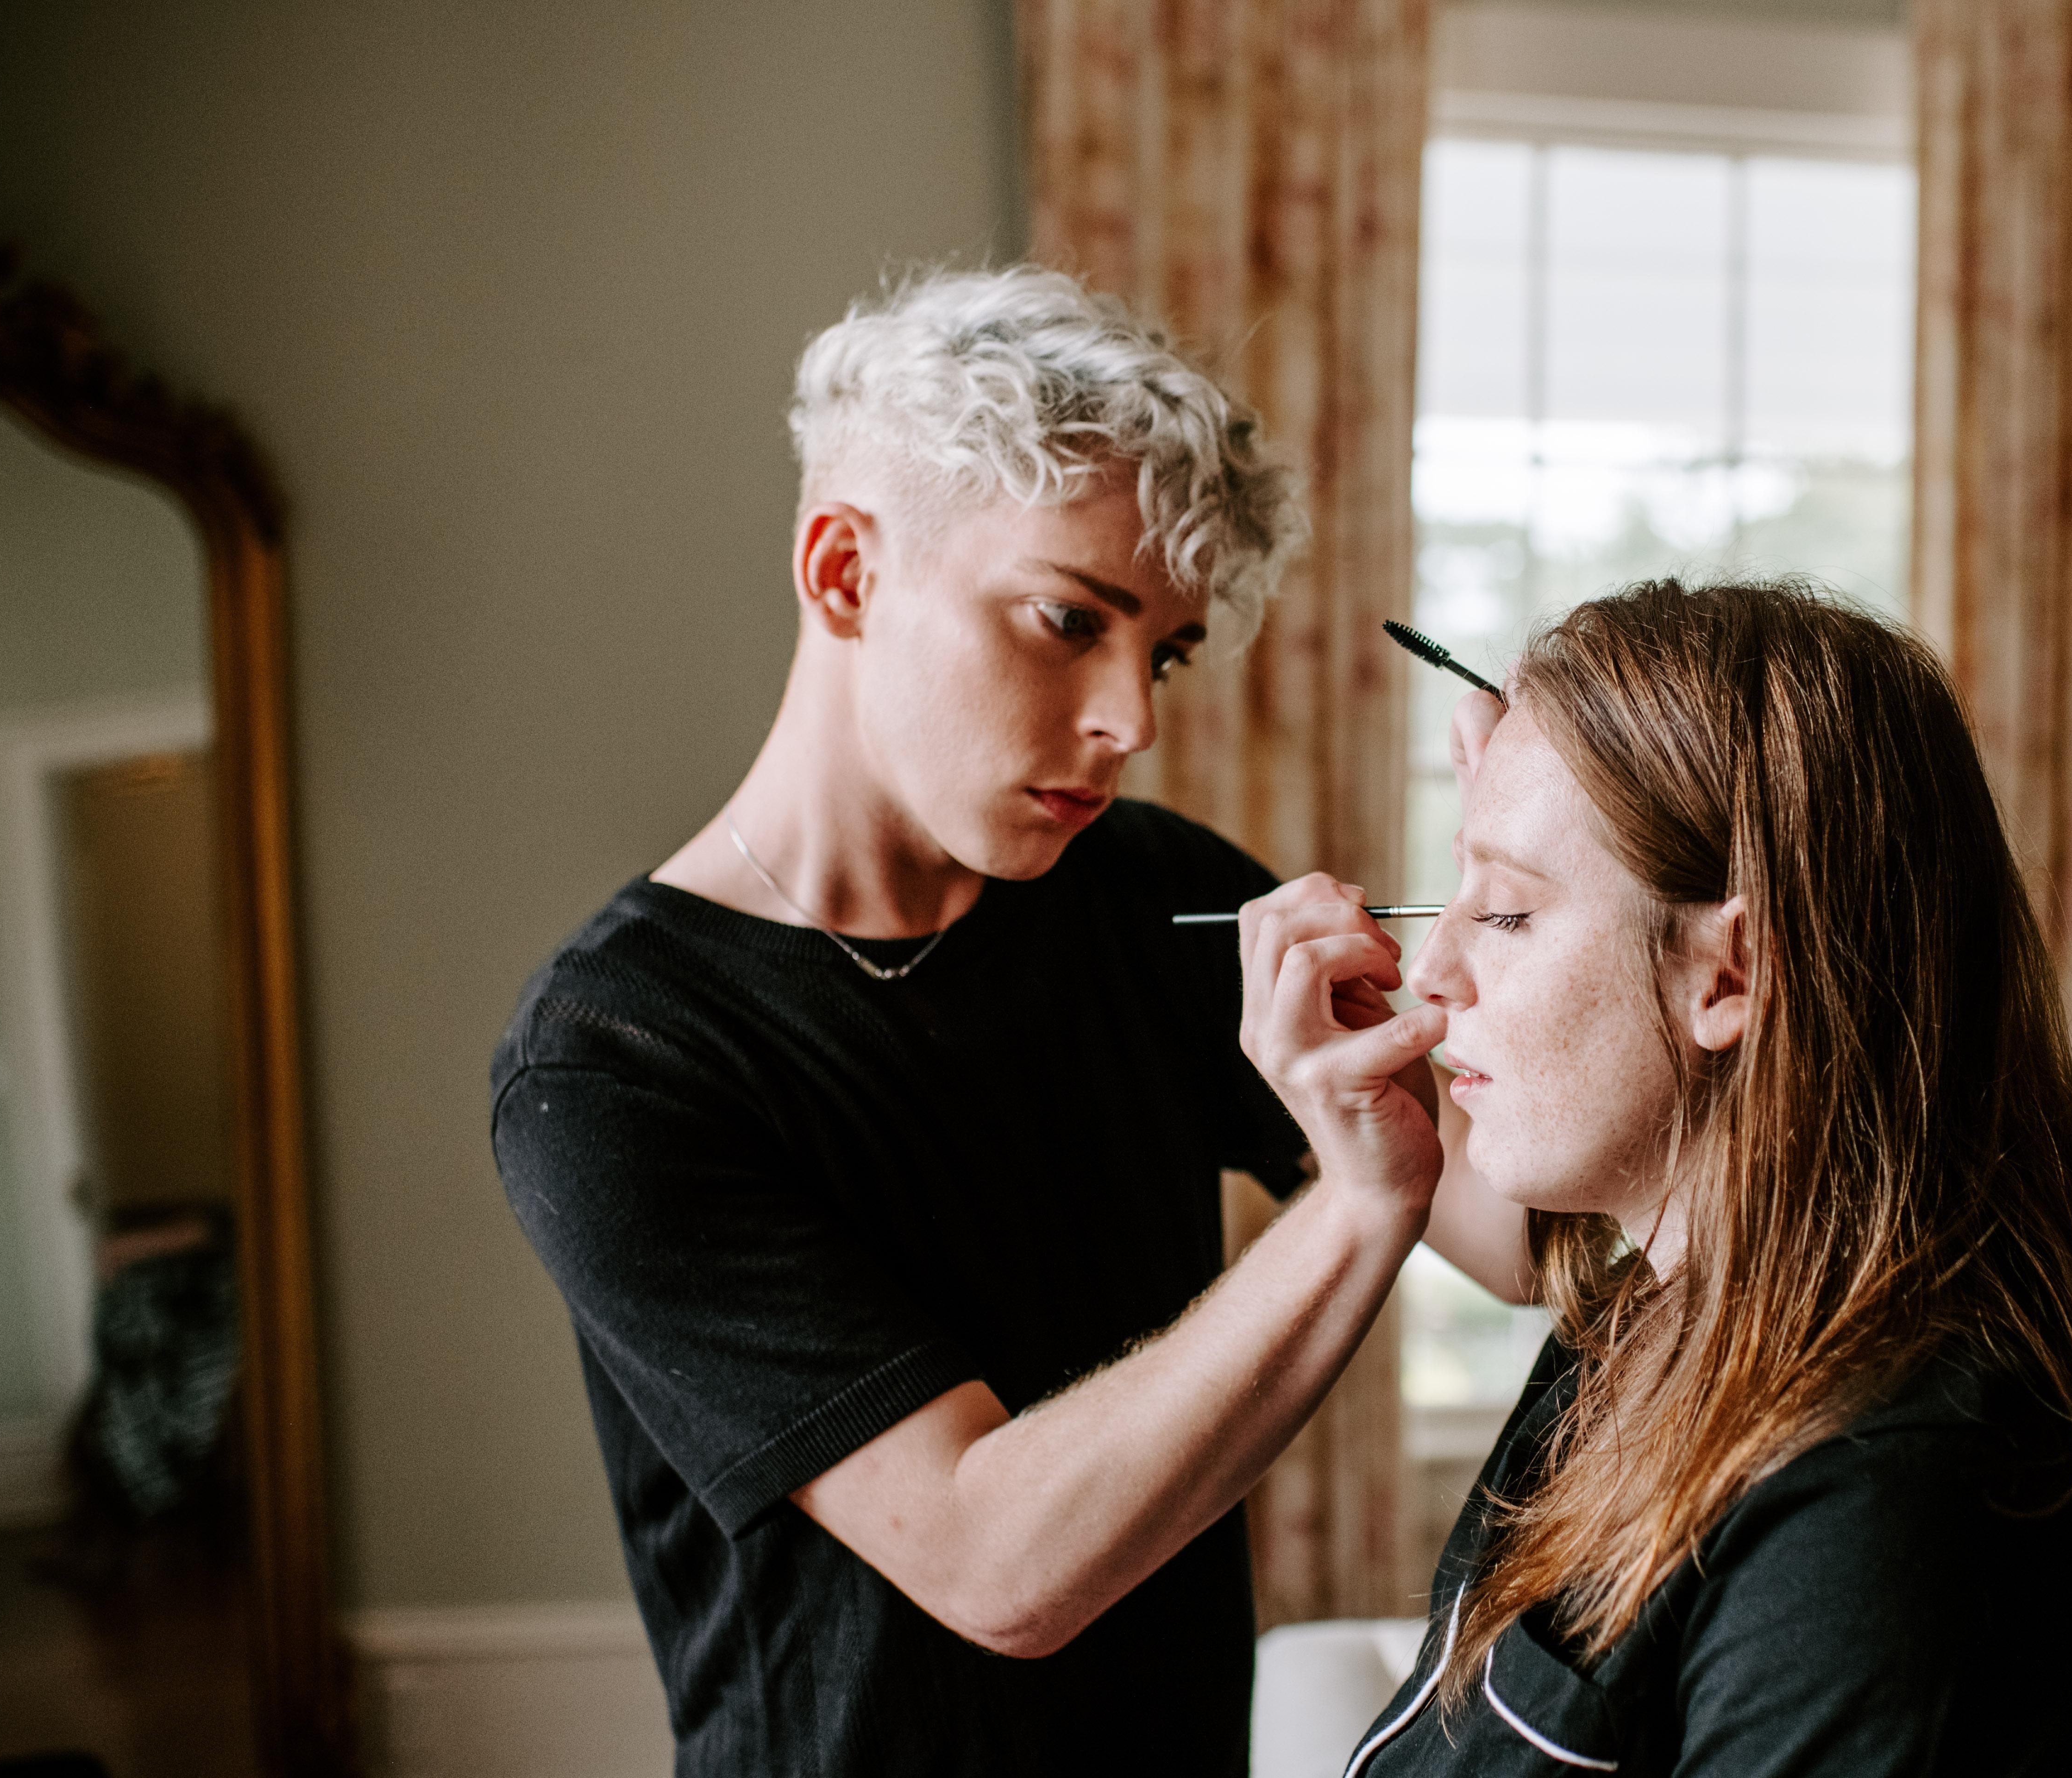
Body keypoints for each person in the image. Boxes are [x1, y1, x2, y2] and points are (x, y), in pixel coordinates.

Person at [491, 267, 1481, 1776]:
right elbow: (996, 1566)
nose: (1133, 720)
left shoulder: (1156, 894)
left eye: (1162, 651)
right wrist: (1357, 1206)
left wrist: (1567, 872)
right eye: (1067, 619)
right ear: (845, 571)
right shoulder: (616, 1061)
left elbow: (1516, 1236)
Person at [1242, 578, 2072, 1777]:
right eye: (1457, 892)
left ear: (1729, 974)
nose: (1429, 971)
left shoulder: (1880, 1503)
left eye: (1504, 917)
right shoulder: (1657, 1323)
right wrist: (1528, 823)